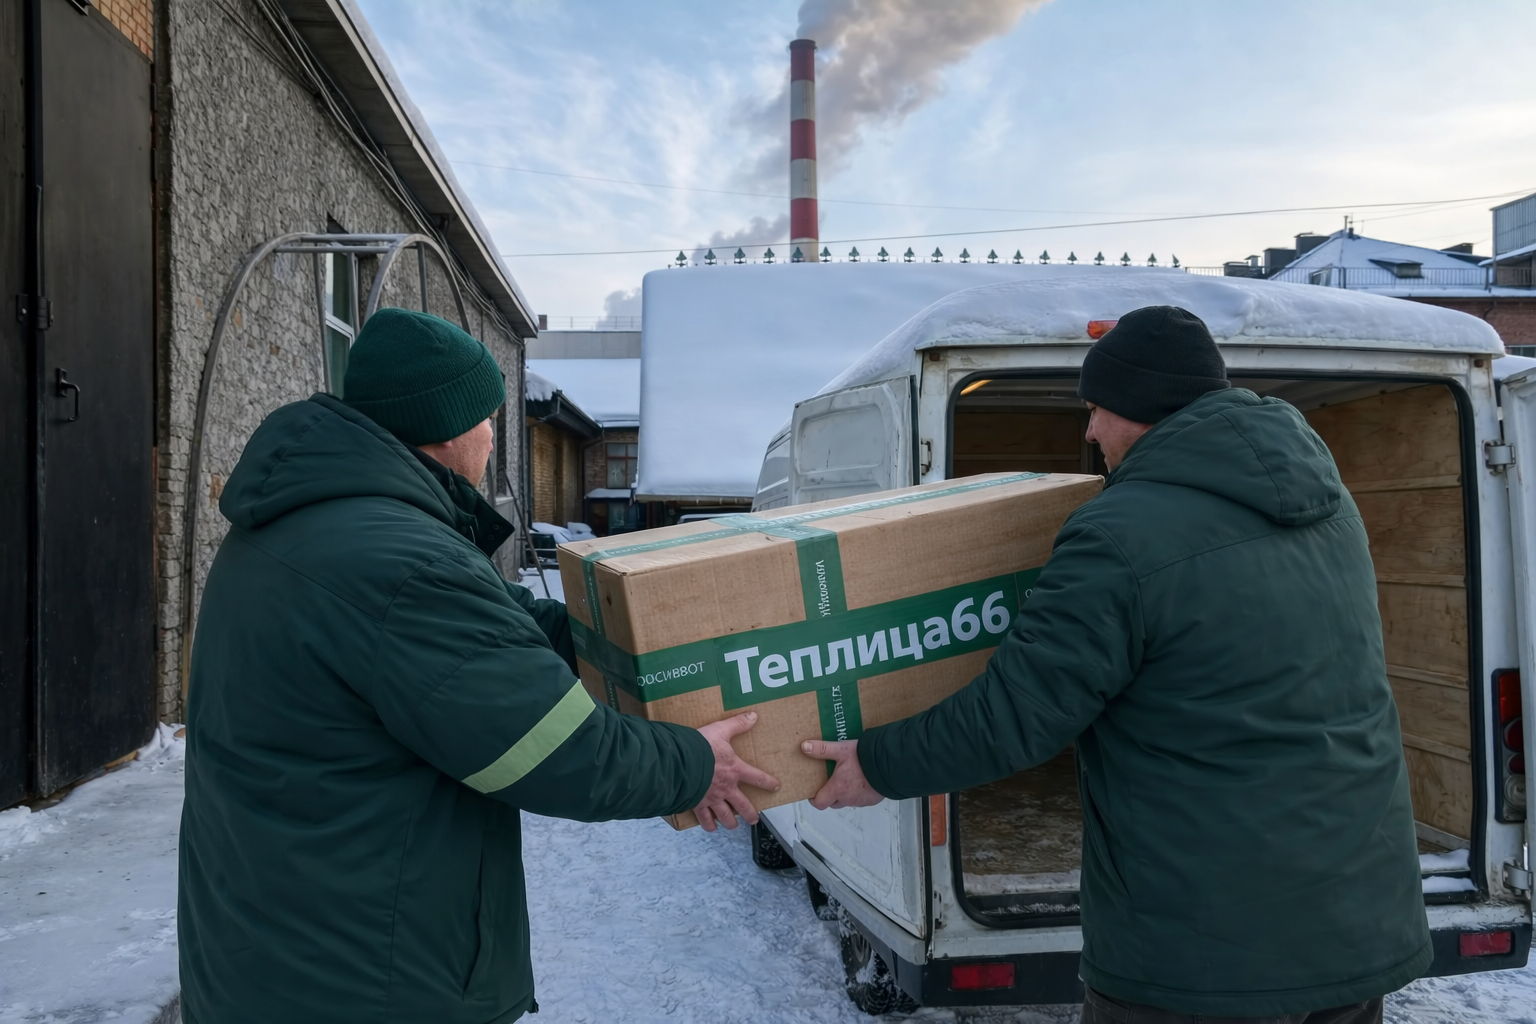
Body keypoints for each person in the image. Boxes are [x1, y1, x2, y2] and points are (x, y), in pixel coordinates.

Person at [803, 306, 1429, 1024]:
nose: (1090, 432)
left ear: (1140, 406)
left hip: (1202, 948)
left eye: (1096, 409)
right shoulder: (1331, 507)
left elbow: (1015, 717)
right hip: (1355, 916)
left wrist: (876, 763)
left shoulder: (1119, 533)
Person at [178, 308, 777, 1024]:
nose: (495, 436)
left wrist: (642, 632)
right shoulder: (399, 563)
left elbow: (498, 627)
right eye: (489, 418)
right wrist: (695, 766)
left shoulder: (314, 523)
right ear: (448, 431)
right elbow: (559, 751)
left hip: (280, 947)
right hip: (366, 981)